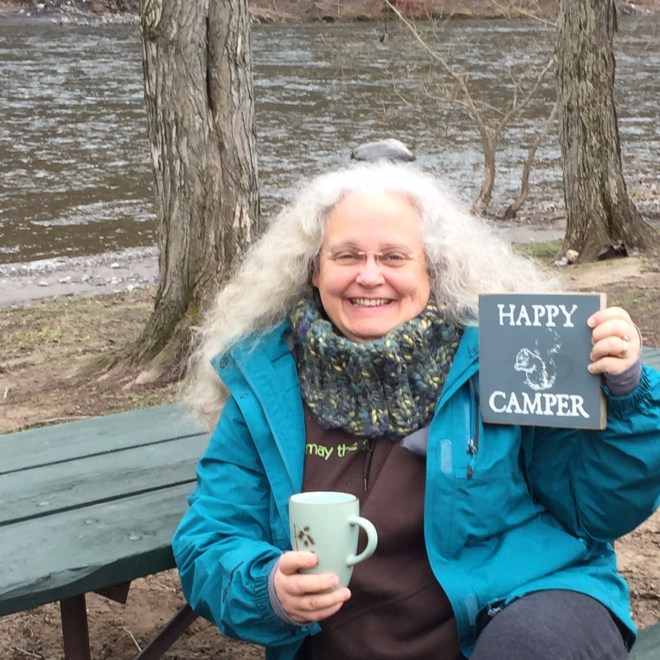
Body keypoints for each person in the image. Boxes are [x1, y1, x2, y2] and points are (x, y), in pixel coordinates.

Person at [172, 161, 660, 660]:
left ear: (432, 268)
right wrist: (267, 589)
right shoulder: (268, 384)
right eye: (347, 256)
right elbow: (210, 538)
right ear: (314, 270)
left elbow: (598, 509)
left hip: (523, 609)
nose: (369, 276)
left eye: (394, 257)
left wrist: (627, 396)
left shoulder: (504, 351)